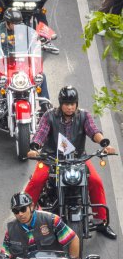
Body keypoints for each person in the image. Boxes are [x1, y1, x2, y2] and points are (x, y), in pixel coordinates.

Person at [24, 85, 117, 239]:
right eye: (67, 104)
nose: (70, 107)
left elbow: (93, 131)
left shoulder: (84, 115)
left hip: (78, 158)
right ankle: (25, 216)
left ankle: (101, 221)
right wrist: (34, 148)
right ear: (61, 104)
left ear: (77, 103)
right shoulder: (49, 115)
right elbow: (41, 134)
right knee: (37, 180)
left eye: (73, 103)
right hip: (52, 158)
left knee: (95, 181)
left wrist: (105, 144)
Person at [0, 7, 51, 135]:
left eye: (18, 23)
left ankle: (46, 110)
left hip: (23, 63)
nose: (16, 26)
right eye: (13, 23)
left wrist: (46, 39)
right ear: (7, 22)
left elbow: (36, 38)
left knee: (40, 77)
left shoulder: (26, 30)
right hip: (4, 63)